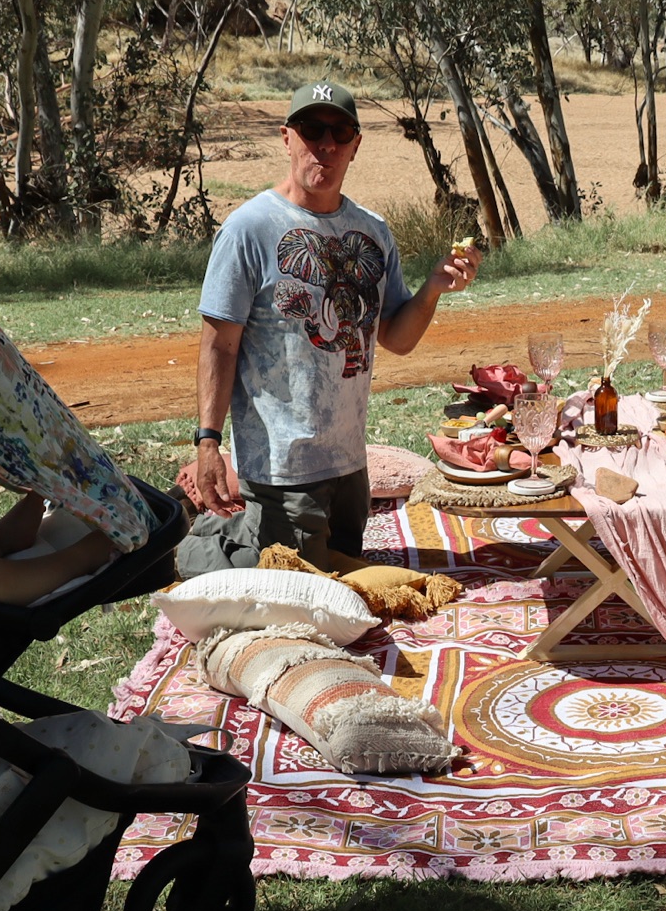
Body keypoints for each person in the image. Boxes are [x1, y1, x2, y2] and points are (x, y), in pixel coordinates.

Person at [181, 80, 481, 574]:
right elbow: (219, 347)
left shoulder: (373, 231)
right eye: (311, 129)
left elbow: (396, 338)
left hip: (348, 465)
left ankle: (237, 538)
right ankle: (193, 548)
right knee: (302, 578)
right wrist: (208, 442)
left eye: (340, 133)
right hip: (283, 464)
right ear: (287, 137)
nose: (326, 144)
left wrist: (432, 289)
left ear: (355, 145)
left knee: (339, 576)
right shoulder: (248, 230)